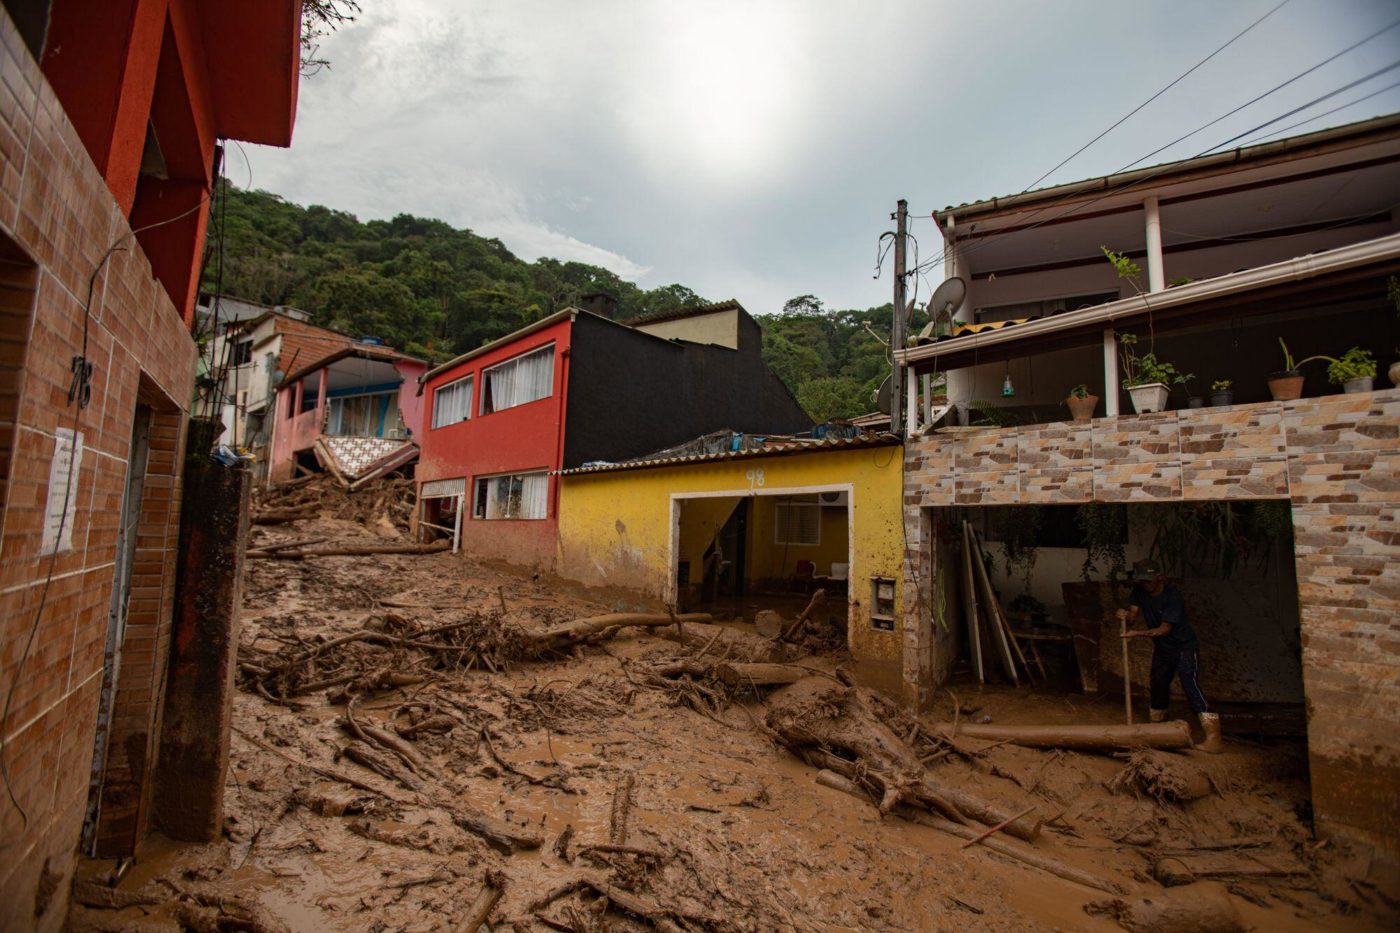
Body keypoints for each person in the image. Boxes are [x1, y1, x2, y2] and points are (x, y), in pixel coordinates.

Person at [1116, 559, 1222, 753]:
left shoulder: (1173, 596)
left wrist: (1136, 634)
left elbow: (1164, 629)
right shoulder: (1139, 592)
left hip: (1184, 648)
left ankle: (1214, 738)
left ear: (1160, 578)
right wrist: (1125, 615)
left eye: (1148, 580)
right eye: (1142, 581)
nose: (1145, 584)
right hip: (1163, 649)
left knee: (1190, 685)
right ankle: (1158, 729)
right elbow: (1132, 616)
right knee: (1158, 684)